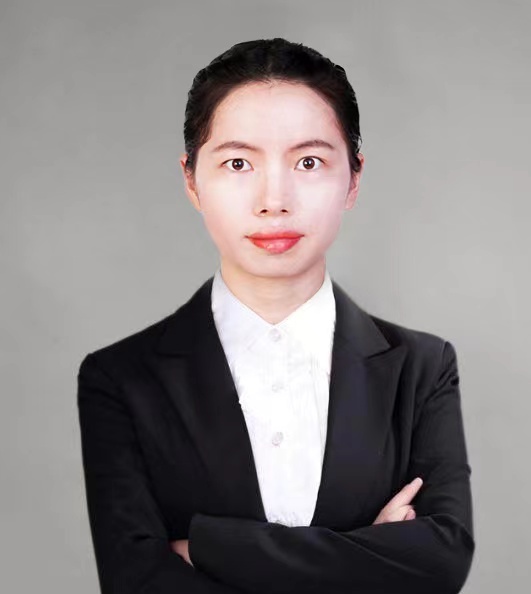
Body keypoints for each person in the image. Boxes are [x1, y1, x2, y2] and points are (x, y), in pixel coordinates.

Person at [77, 38, 475, 594]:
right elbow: (136, 579)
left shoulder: (422, 368)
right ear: (191, 180)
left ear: (354, 178)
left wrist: (208, 548)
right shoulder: (121, 378)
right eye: (238, 163)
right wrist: (369, 558)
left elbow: (441, 562)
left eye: (308, 162)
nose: (274, 200)